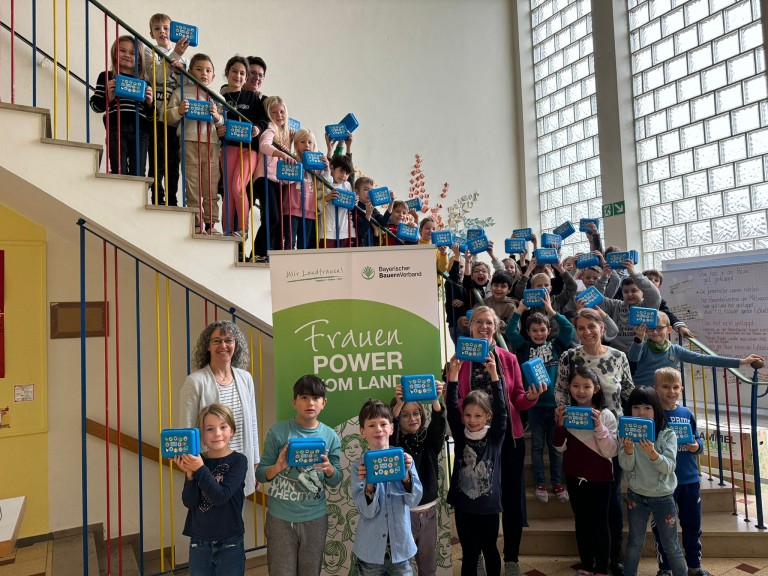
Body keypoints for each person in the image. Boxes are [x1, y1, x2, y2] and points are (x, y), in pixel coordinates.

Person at [455, 305, 546, 576]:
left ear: (496, 328)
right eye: (478, 323)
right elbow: (457, 399)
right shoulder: (460, 360)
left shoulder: (508, 358)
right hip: (473, 441)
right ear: (470, 327)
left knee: (512, 499)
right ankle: (479, 553)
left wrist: (531, 397)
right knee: (475, 498)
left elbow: (518, 396)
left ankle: (512, 558)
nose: (484, 327)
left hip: (508, 440)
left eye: (489, 323)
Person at [556, 308, 634, 575]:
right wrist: (566, 419)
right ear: (575, 330)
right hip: (579, 437)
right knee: (590, 508)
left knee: (612, 501)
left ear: (602, 327)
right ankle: (591, 559)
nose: (587, 332)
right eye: (581, 328)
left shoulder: (618, 356)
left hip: (612, 435)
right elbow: (560, 390)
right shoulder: (569, 356)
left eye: (592, 326)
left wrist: (632, 429)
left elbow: (629, 392)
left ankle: (615, 556)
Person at [255, 375, 342, 576]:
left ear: (323, 403)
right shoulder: (278, 431)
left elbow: (336, 480)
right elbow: (261, 474)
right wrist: (278, 466)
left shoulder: (330, 436)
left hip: (315, 518)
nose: (310, 403)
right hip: (280, 518)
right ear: (294, 402)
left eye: (316, 397)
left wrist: (328, 468)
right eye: (304, 397)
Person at [506, 291, 574, 504]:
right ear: (528, 332)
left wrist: (552, 311)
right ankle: (540, 483)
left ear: (548, 330)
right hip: (534, 405)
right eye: (534, 330)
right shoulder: (524, 348)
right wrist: (519, 311)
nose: (538, 334)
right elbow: (510, 332)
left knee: (555, 447)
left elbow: (568, 329)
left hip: (555, 405)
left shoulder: (556, 345)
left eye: (542, 330)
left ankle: (558, 483)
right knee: (536, 446)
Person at [178, 321, 260, 496]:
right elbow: (187, 428)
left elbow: (252, 422)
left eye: (228, 340)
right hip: (208, 468)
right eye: (217, 341)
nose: (223, 345)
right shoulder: (195, 382)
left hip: (239, 466)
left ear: (235, 345)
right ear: (207, 346)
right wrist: (191, 469)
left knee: (235, 521)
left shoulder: (246, 378)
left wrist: (255, 462)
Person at [553, 367, 618, 576]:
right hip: (573, 476)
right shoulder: (567, 413)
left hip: (600, 478)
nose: (581, 391)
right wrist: (560, 425)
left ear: (596, 389)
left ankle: (601, 569)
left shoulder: (606, 415)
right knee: (581, 522)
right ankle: (587, 566)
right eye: (575, 386)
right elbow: (558, 446)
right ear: (569, 388)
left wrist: (599, 426)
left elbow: (610, 450)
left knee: (600, 523)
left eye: (586, 386)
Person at [446, 356, 507, 576]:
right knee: (469, 554)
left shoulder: (495, 437)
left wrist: (494, 376)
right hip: (464, 508)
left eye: (478, 416)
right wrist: (453, 376)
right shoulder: (461, 437)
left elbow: (502, 409)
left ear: (487, 416)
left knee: (490, 551)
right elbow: (452, 409)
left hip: (489, 509)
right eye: (469, 415)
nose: (472, 420)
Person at [619, 387, 687, 576]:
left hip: (663, 496)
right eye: (636, 407)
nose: (641, 412)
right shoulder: (627, 433)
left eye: (647, 407)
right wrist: (629, 450)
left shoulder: (667, 434)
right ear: (629, 410)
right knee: (635, 541)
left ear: (656, 410)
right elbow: (625, 465)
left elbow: (669, 467)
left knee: (671, 544)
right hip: (636, 495)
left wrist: (652, 453)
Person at [351, 399, 423, 575]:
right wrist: (370, 483)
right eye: (371, 425)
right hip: (370, 553)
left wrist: (406, 475)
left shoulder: (404, 460)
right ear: (362, 431)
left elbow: (413, 500)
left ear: (391, 428)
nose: (378, 429)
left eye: (383, 424)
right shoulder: (359, 467)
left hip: (401, 550)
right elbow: (367, 511)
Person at [175, 403, 248, 575]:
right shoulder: (197, 460)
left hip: (230, 542)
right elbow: (190, 502)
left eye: (223, 427)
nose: (217, 434)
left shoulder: (239, 461)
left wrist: (200, 470)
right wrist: (190, 476)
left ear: (232, 430)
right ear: (202, 434)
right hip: (199, 542)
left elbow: (220, 496)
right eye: (209, 429)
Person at [651, 368, 709, 576]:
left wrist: (697, 447)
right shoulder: (653, 415)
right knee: (663, 528)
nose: (671, 391)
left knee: (692, 525)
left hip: (689, 479)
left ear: (681, 389)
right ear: (655, 389)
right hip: (663, 481)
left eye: (675, 387)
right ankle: (665, 568)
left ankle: (694, 565)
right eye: (665, 387)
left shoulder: (687, 414)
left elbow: (697, 440)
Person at [390, 380, 447, 576]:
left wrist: (435, 400)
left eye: (416, 413)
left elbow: (439, 428)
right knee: (401, 567)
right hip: (402, 513)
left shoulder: (428, 441)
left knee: (428, 565)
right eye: (405, 415)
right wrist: (398, 405)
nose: (412, 418)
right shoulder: (395, 445)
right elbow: (391, 433)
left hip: (428, 512)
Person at [166, 54, 224, 234]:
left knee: (211, 184)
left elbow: (222, 123)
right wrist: (179, 111)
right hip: (189, 141)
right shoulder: (180, 92)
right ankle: (197, 222)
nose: (204, 73)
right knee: (192, 183)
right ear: (190, 72)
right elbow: (167, 117)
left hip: (212, 144)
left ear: (213, 76)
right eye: (199, 69)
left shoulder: (216, 97)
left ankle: (211, 224)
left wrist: (217, 117)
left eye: (208, 70)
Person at [627, 311, 764, 388]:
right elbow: (632, 358)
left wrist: (742, 361)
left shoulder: (675, 350)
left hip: (664, 395)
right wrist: (639, 338)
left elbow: (707, 359)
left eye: (659, 328)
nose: (655, 332)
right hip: (642, 393)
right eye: (651, 328)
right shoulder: (643, 346)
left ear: (668, 329)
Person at [142, 13, 189, 207]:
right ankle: (157, 198)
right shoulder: (148, 52)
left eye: (166, 28)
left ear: (174, 31)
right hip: (155, 117)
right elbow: (157, 75)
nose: (162, 31)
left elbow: (185, 85)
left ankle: (172, 198)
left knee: (173, 162)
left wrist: (179, 68)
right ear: (152, 34)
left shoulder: (183, 59)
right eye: (157, 28)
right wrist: (175, 55)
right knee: (156, 161)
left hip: (174, 120)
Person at [90, 35, 154, 176]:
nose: (127, 55)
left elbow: (151, 117)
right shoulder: (106, 76)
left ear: (139, 59)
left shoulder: (145, 83)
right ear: (114, 53)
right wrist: (108, 97)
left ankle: (134, 198)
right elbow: (95, 106)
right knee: (119, 170)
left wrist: (150, 103)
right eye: (122, 50)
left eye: (132, 53)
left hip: (141, 130)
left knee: (138, 173)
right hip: (116, 127)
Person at [217, 55, 262, 239]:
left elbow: (263, 120)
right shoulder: (220, 97)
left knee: (238, 186)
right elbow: (215, 121)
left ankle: (243, 229)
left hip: (249, 149)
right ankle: (228, 230)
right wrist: (218, 129)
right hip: (228, 148)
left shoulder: (253, 97)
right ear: (227, 73)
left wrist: (258, 128)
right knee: (228, 190)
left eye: (242, 73)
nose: (238, 76)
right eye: (234, 71)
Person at [255, 95, 294, 260]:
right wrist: (281, 153)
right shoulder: (271, 127)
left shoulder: (284, 133)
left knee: (274, 219)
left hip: (276, 180)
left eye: (282, 112)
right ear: (269, 115)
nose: (279, 115)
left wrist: (288, 147)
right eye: (274, 112)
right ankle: (258, 253)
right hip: (264, 178)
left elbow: (285, 159)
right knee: (273, 217)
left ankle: (263, 253)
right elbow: (264, 145)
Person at [594, 258, 661, 354]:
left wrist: (633, 273)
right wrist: (604, 277)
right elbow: (596, 300)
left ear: (642, 292)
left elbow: (655, 295)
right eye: (626, 291)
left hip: (643, 354)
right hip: (618, 354)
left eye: (634, 291)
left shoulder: (647, 305)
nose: (629, 294)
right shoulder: (615, 305)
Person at [283, 129, 329, 250]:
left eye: (310, 142)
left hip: (309, 210)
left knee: (304, 243)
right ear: (297, 144)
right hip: (292, 208)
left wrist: (327, 169)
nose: (307, 145)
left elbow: (322, 185)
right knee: (290, 241)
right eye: (302, 142)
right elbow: (285, 181)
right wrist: (298, 167)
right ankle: (288, 267)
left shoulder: (317, 165)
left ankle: (300, 267)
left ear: (314, 145)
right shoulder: (291, 160)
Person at [318, 155, 354, 248]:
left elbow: (350, 208)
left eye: (347, 173)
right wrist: (326, 198)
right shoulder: (323, 181)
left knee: (344, 260)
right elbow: (315, 207)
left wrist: (354, 201)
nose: (344, 176)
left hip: (345, 231)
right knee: (327, 261)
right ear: (332, 168)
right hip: (327, 232)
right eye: (341, 171)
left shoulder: (347, 185)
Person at [352, 177, 390, 247]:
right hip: (360, 246)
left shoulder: (374, 210)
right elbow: (361, 233)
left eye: (371, 190)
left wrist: (391, 203)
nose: (369, 193)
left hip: (371, 245)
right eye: (366, 189)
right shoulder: (355, 209)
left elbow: (384, 223)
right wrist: (368, 215)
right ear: (357, 192)